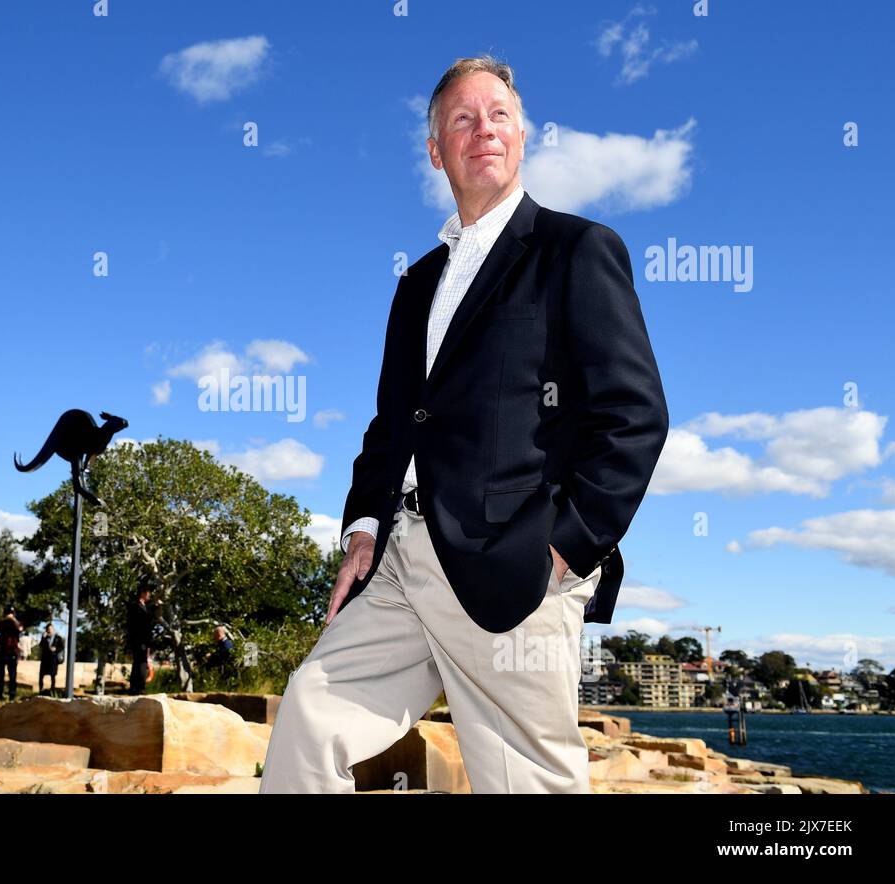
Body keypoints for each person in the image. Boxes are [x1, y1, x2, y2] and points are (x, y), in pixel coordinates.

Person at [259, 56, 668, 795]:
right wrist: (361, 528)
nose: (485, 129)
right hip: (398, 564)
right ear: (435, 150)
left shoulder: (576, 250)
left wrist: (564, 551)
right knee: (309, 722)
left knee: (524, 784)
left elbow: (634, 417)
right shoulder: (416, 282)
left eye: (500, 114)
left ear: (523, 134)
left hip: (514, 569)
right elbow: (393, 424)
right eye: (463, 119)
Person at [0, 606, 23, 701]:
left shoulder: (16, 623)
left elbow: (20, 629)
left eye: (11, 613)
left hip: (12, 652)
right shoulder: (2, 623)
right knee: (0, 675)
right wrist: (3, 619)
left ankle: (12, 695)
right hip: (1, 651)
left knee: (12, 675)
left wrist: (13, 619)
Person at [126, 587, 153, 695]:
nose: (149, 595)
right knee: (140, 663)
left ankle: (136, 687)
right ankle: (138, 687)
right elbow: (136, 624)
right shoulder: (135, 606)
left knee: (139, 663)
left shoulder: (145, 607)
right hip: (138, 640)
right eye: (148, 592)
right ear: (142, 593)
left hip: (144, 640)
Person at [38, 623, 65, 696]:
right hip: (45, 659)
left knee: (53, 676)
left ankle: (52, 690)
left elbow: (61, 647)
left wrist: (55, 649)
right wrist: (43, 638)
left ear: (53, 629)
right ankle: (40, 690)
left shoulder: (58, 638)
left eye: (50, 629)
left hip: (53, 659)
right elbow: (41, 645)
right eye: (48, 629)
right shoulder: (45, 637)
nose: (49, 631)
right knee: (41, 675)